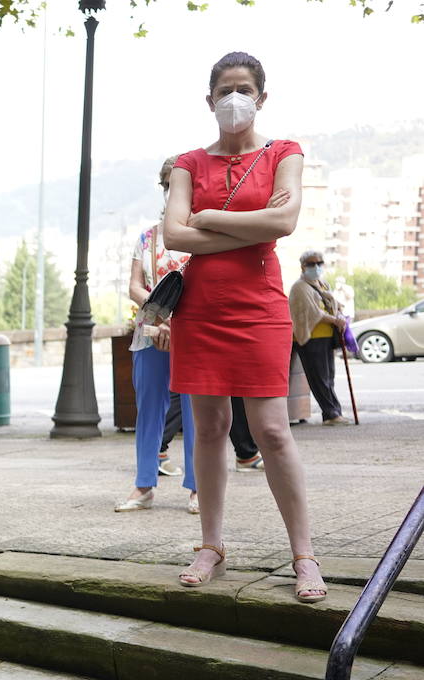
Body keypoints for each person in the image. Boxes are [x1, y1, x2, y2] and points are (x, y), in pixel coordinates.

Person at [164, 51, 327, 603]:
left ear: (261, 96)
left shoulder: (285, 152)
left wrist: (207, 218)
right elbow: (174, 236)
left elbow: (284, 221)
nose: (234, 99)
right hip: (201, 310)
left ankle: (304, 555)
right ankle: (211, 544)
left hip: (259, 307)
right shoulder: (188, 163)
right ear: (209, 100)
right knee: (207, 430)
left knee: (273, 431)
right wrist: (247, 228)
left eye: (244, 89)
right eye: (224, 90)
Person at [118, 157, 199, 515]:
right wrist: (160, 317)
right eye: (168, 184)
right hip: (150, 331)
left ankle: (200, 488)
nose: (173, 190)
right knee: (149, 408)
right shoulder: (148, 238)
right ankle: (144, 484)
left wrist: (177, 322)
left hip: (194, 332)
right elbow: (135, 285)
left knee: (199, 411)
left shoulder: (203, 235)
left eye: (180, 183)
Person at [289, 249, 350, 425]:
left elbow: (332, 304)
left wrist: (338, 313)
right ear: (303, 267)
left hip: (326, 336)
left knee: (329, 377)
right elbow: (312, 313)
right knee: (319, 378)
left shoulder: (322, 283)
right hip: (310, 337)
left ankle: (333, 412)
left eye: (319, 263)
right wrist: (334, 319)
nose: (316, 267)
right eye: (311, 264)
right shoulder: (300, 287)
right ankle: (331, 414)